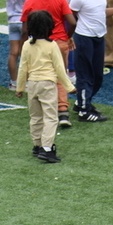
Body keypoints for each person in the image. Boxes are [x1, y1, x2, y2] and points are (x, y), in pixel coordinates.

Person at [21, 0, 77, 128]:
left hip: (38, 45)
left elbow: (25, 30)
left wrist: (27, 44)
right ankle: (63, 111)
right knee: (60, 76)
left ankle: (44, 109)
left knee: (41, 76)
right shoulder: (59, 0)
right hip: (59, 43)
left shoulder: (30, 2)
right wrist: (67, 37)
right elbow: (72, 22)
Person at [17, 9, 74, 163]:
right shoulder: (52, 45)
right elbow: (59, 68)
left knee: (35, 116)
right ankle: (47, 148)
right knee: (50, 117)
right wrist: (69, 87)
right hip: (48, 84)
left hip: (33, 85)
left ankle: (37, 145)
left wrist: (20, 87)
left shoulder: (27, 45)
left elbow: (23, 67)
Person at [68, 0, 113, 122]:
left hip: (99, 38)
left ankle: (82, 102)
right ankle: (84, 112)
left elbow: (101, 11)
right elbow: (71, 17)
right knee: (85, 75)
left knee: (97, 75)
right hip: (84, 39)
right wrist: (69, 37)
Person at [0, 0, 35, 87]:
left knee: (13, 53)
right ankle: (25, 81)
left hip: (13, 23)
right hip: (26, 23)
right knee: (26, 54)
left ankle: (14, 82)